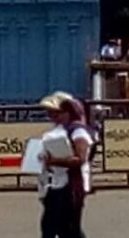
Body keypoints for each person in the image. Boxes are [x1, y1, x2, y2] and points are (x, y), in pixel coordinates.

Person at [39, 92, 94, 238]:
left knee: (68, 229)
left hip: (72, 185)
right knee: (50, 226)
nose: (52, 116)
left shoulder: (78, 131)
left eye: (57, 113)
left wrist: (53, 161)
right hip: (57, 184)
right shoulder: (60, 131)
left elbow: (80, 159)